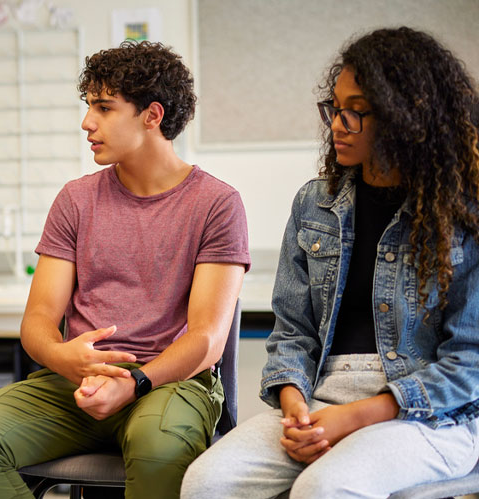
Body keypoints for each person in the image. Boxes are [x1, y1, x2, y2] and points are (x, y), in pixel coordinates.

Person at [0, 41, 250, 498]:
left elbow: (206, 339)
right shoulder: (76, 199)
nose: (87, 123)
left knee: (158, 449)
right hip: (76, 381)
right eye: (89, 107)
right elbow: (39, 321)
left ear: (152, 115)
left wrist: (135, 382)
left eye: (104, 108)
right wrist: (64, 356)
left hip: (169, 381)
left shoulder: (216, 204)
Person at [181, 27, 479, 498]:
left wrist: (357, 416)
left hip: (434, 415)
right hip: (321, 397)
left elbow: (470, 362)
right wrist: (295, 403)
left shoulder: (464, 214)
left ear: (409, 119)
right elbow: (292, 332)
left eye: (357, 112)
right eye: (335, 108)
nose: (338, 124)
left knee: (324, 488)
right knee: (207, 482)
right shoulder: (315, 204)